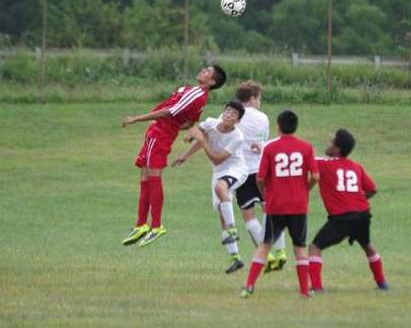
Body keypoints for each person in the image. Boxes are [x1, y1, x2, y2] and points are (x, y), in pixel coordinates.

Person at [120, 65, 226, 247]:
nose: (202, 70)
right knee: (145, 176)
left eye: (208, 71)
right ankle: (141, 225)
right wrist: (173, 127)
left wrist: (136, 119)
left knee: (153, 177)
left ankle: (156, 226)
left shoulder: (198, 95)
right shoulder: (190, 90)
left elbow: (169, 112)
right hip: (157, 132)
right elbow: (191, 121)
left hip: (160, 134)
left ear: (212, 82)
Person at [241, 110, 320, 298]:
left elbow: (260, 179)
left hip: (276, 205)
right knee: (300, 247)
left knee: (265, 245)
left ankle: (249, 287)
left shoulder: (270, 148)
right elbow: (316, 176)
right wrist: (305, 190)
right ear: (296, 126)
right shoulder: (306, 147)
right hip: (299, 205)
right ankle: (304, 291)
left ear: (278, 126)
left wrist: (266, 196)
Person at [308, 129, 388, 292]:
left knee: (314, 247)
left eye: (331, 142)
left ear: (337, 149)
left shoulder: (324, 164)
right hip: (363, 214)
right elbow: (372, 189)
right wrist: (356, 199)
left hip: (342, 217)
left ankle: (316, 287)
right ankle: (382, 283)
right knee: (368, 246)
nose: (328, 144)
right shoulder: (356, 167)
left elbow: (305, 159)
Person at [172, 100, 248, 274]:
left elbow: (217, 158)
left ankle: (234, 230)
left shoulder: (237, 137)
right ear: (223, 112)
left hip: (236, 169)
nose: (229, 115)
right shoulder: (211, 123)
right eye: (227, 111)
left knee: (220, 188)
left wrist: (200, 138)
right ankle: (236, 258)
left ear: (237, 121)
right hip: (219, 172)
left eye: (234, 114)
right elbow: (199, 133)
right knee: (222, 212)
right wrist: (187, 151)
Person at [232, 81, 287, 272]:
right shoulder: (263, 118)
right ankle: (281, 252)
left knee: (248, 216)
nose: (260, 102)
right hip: (262, 171)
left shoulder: (234, 116)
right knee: (270, 211)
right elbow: (262, 141)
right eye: (259, 98)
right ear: (252, 98)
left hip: (242, 172)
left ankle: (267, 257)